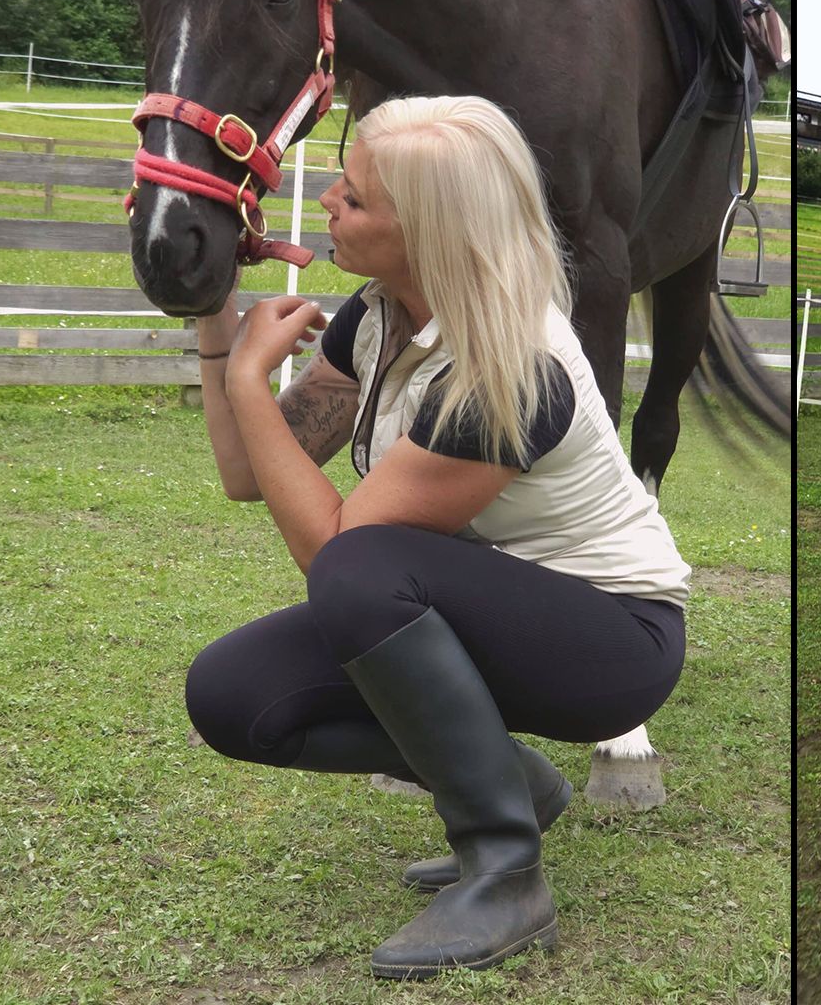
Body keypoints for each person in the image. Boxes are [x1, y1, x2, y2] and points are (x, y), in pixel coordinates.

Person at [181, 96, 690, 979]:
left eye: (358, 197)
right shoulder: (378, 315)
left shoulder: (512, 367)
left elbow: (337, 553)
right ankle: (514, 784)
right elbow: (246, 474)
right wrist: (216, 317)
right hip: (478, 614)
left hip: (615, 639)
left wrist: (257, 389)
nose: (331, 201)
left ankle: (505, 866)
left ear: (432, 233)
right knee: (233, 696)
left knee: (363, 568)